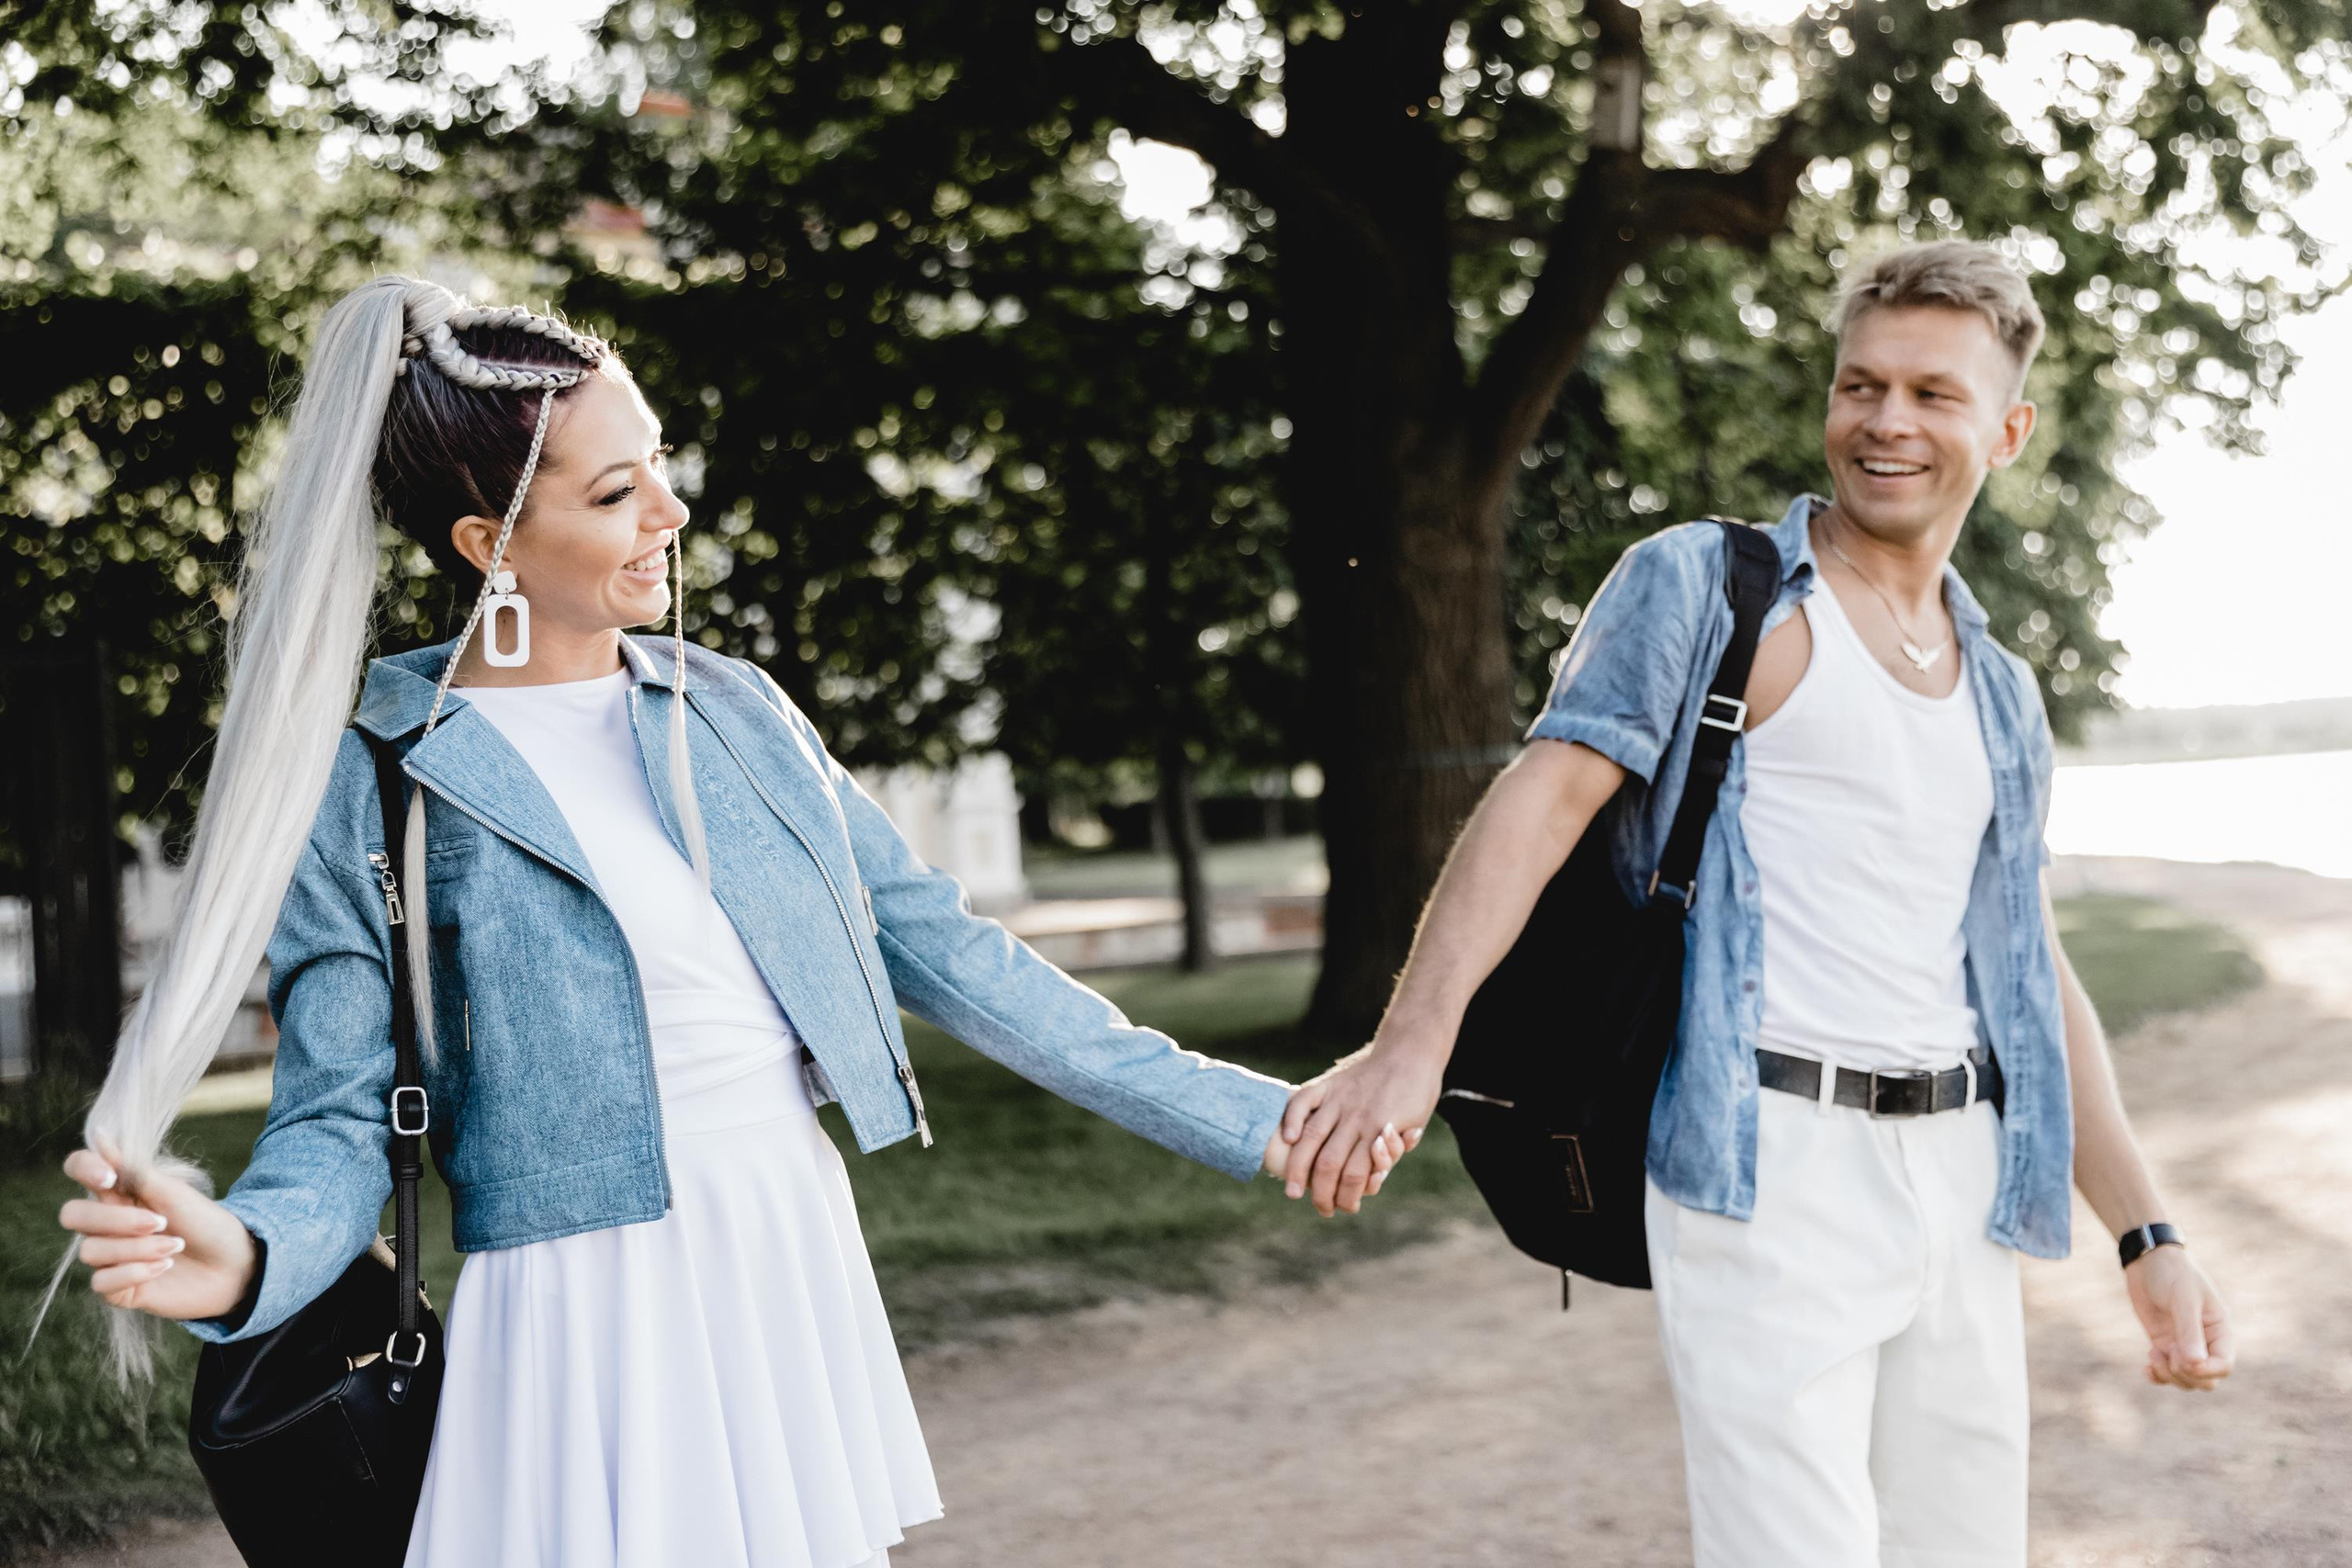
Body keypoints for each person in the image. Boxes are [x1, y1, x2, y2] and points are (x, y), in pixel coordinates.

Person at [51, 276, 1406, 1568]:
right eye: (617, 490)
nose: (672, 513)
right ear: (489, 546)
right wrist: (246, 1256)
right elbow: (339, 1119)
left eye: (659, 465)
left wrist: (1248, 1118)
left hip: (782, 1248)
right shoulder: (375, 773)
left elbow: (953, 954)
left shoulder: (738, 711)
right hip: (589, 1304)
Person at [1278, 240, 2235, 1565]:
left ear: (2007, 430)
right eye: (1861, 385)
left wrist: (2148, 1231)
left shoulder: (2003, 689)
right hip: (1763, 1162)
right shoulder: (1711, 589)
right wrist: (1409, 1055)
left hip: (1959, 1180)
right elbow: (1538, 806)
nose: (1885, 421)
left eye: (1932, 395)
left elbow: (2030, 969)